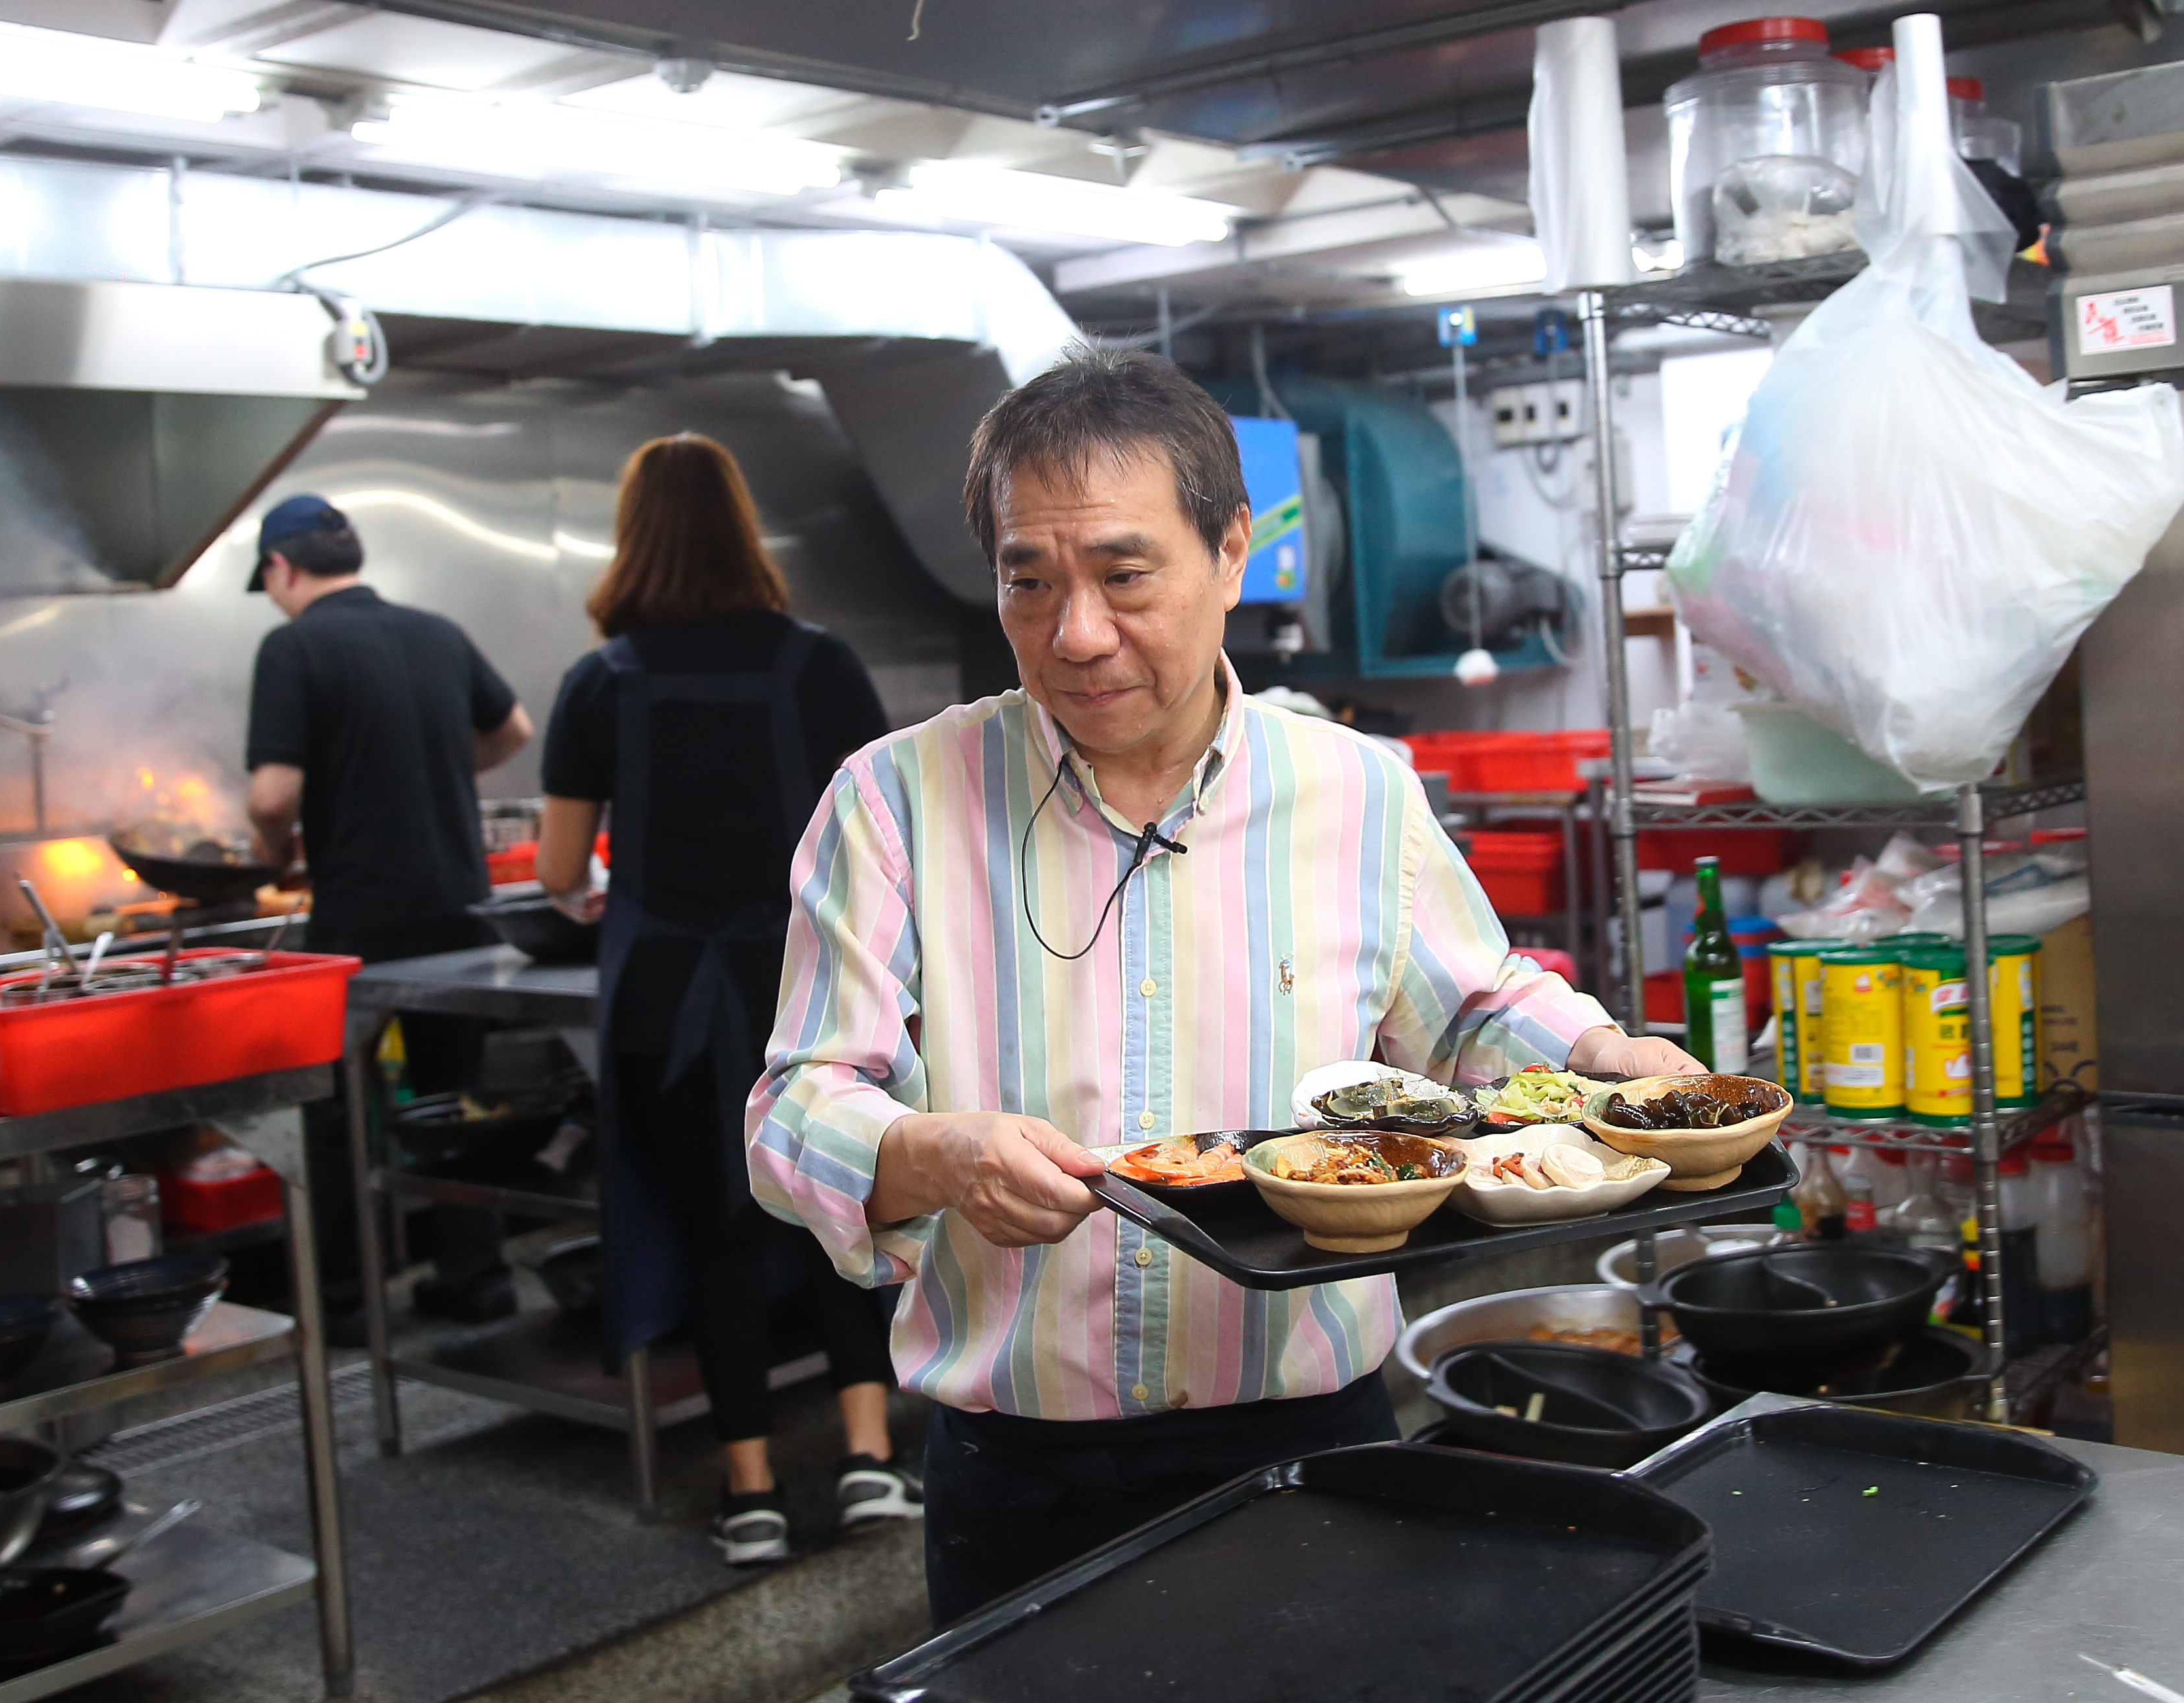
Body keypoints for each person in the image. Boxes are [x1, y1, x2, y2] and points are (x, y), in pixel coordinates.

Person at [746, 351, 1700, 1625]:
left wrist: (1595, 1055)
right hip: (1018, 1469)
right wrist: (927, 1150)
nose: (1073, 632)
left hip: (1313, 1441)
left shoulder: (1356, 791)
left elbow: (1469, 1014)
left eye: (1123, 575)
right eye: (1027, 581)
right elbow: (794, 1105)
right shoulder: (893, 801)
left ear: (1230, 547)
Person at [537, 435, 916, 1567]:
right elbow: (879, 835)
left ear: (632, 536)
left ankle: (749, 1487)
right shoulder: (821, 665)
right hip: (811, 988)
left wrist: (607, 890)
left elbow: (560, 870)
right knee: (840, 1205)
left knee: (714, 1226)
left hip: (666, 1001)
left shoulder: (599, 682)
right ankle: (868, 1460)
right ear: (746, 530)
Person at [243, 493, 536, 1332]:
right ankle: (476, 1278)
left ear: (281, 568)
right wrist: (438, 765)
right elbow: (510, 728)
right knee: (455, 1103)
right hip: (457, 908)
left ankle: (346, 1302)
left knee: (338, 1111)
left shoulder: (292, 646)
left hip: (359, 920)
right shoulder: (435, 633)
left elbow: (273, 792)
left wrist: (273, 852)